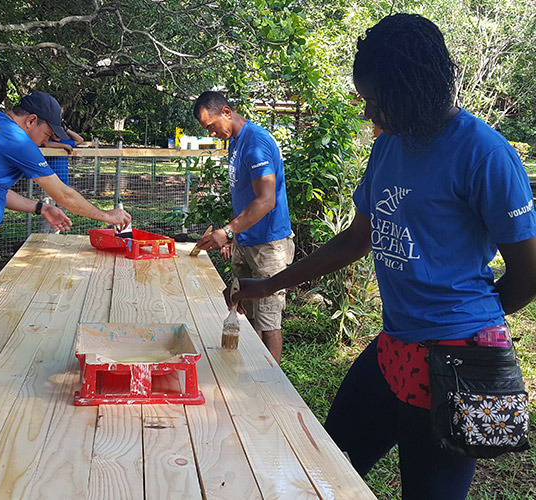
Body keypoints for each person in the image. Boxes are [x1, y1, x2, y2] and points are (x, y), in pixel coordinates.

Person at [226, 14, 536, 499]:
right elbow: (355, 240)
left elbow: (527, 274)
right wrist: (268, 284)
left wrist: (463, 325)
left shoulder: (484, 154)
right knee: (332, 456)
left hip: (455, 364)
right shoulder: (389, 146)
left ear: (415, 89)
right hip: (394, 347)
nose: (370, 114)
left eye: (377, 100)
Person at [0, 91, 130, 344]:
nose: (43, 143)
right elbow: (64, 194)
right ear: (31, 120)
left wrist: (41, 207)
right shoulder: (15, 139)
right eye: (47, 135)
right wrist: (107, 215)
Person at [192, 91, 294, 363]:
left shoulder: (255, 142)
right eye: (207, 130)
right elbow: (245, 197)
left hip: (269, 244)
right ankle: (249, 371)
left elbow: (266, 200)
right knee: (242, 310)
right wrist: (233, 235)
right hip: (245, 241)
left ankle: (271, 383)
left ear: (226, 112)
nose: (212, 134)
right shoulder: (235, 142)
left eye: (212, 126)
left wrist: (227, 231)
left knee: (269, 318)